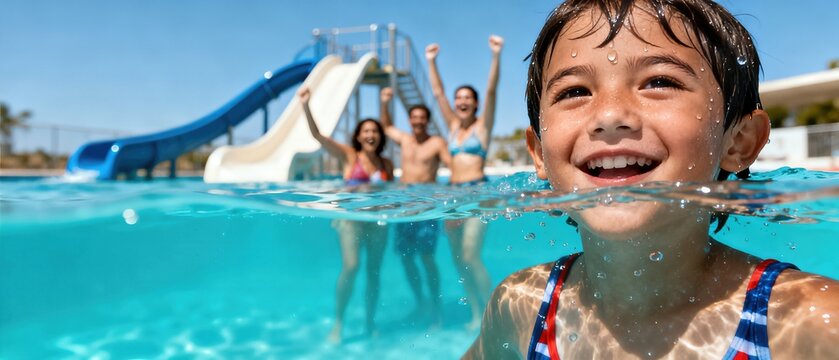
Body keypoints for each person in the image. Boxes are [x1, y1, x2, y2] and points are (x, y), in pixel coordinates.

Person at [465, 0, 839, 359]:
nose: (610, 115)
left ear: (739, 141)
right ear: (539, 152)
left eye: (659, 81)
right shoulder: (521, 307)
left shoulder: (807, 321)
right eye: (575, 91)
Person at [298, 86, 395, 344]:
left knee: (373, 273)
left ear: (379, 136)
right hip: (351, 221)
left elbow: (392, 195)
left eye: (375, 131)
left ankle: (370, 322)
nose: (371, 135)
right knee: (351, 267)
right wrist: (306, 105)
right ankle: (339, 323)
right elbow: (318, 136)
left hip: (378, 223)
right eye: (366, 131)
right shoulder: (349, 156)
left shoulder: (387, 165)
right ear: (358, 136)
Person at [426, 34, 504, 330]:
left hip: (478, 193)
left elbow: (492, 90)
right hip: (453, 197)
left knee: (471, 256)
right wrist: (431, 61)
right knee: (459, 262)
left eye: (467, 99)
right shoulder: (453, 127)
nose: (461, 103)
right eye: (459, 99)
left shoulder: (482, 128)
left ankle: (491, 311)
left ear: (475, 104)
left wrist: (496, 55)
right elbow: (437, 93)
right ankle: (476, 313)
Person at [379, 87, 451, 328]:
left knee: (427, 258)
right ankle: (420, 303)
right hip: (404, 206)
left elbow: (453, 168)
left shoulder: (437, 143)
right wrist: (385, 102)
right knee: (407, 259)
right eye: (414, 117)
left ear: (427, 121)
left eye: (422, 118)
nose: (418, 121)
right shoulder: (405, 139)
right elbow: (386, 125)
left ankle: (437, 309)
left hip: (427, 207)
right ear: (410, 120)